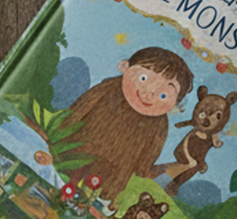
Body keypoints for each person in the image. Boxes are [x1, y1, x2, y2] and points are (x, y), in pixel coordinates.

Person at [64, 47, 193, 202]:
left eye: (163, 95)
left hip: (108, 182)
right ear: (124, 67)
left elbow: (146, 161)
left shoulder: (159, 125)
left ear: (175, 104)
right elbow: (76, 113)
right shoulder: (110, 88)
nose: (149, 93)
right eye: (144, 79)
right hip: (72, 156)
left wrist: (156, 168)